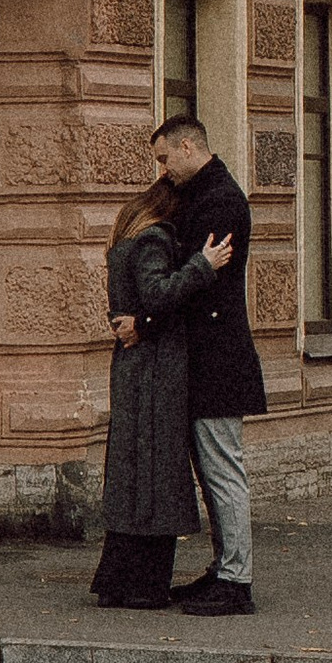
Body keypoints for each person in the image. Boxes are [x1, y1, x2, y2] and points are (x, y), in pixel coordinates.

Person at [90, 181, 233, 609]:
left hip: (133, 368)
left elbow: (127, 302)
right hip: (156, 370)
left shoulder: (125, 241)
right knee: (158, 473)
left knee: (133, 470)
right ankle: (144, 585)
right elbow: (156, 294)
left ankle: (117, 581)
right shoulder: (155, 239)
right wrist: (202, 266)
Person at [150, 112, 267, 616]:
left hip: (217, 357)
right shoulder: (209, 195)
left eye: (164, 158)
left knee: (222, 470)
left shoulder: (218, 201)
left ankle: (235, 579)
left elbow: (199, 283)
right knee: (213, 469)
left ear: (188, 148)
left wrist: (151, 312)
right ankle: (224, 570)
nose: (161, 170)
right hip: (210, 355)